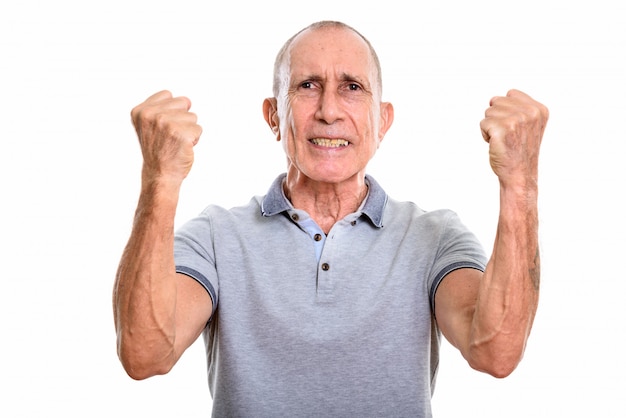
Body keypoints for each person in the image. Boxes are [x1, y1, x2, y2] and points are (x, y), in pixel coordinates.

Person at [113, 20, 548, 417]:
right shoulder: (215, 237)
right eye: (307, 85)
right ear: (273, 117)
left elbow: (496, 352)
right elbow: (144, 353)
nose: (329, 110)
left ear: (382, 122)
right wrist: (161, 180)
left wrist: (519, 182)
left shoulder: (433, 238)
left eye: (352, 87)